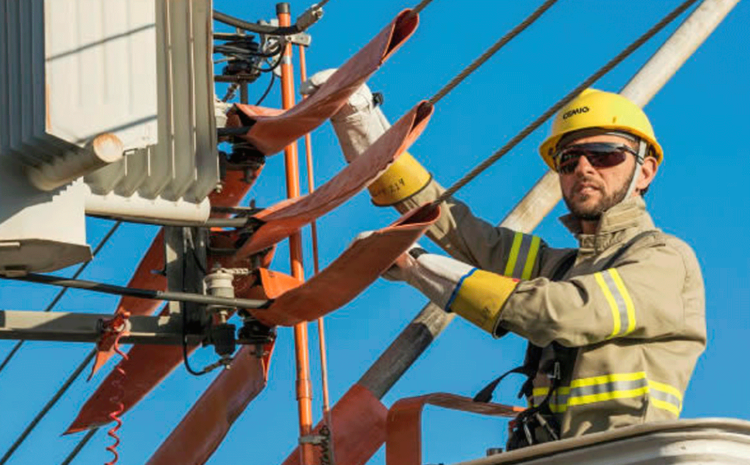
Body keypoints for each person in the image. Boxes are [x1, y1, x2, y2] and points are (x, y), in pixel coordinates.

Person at [303, 71, 706, 447]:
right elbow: (464, 233)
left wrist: (416, 266)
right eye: (569, 159)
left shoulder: (663, 259)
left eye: (603, 154)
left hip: (621, 455)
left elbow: (563, 313)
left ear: (645, 170)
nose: (583, 168)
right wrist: (362, 127)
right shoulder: (564, 267)